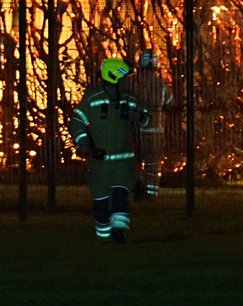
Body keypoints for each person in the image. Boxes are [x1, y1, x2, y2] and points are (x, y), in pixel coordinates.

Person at [69, 57, 150, 242]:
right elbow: (77, 122)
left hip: (124, 160)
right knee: (101, 201)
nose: (128, 81)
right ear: (114, 77)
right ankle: (104, 235)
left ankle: (119, 230)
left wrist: (138, 117)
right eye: (125, 77)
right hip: (100, 161)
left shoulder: (130, 99)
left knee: (121, 195)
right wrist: (84, 143)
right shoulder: (93, 98)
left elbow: (147, 120)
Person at [133, 49, 173, 199]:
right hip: (155, 131)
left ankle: (135, 190)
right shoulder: (161, 85)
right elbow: (170, 104)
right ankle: (151, 194)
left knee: (134, 162)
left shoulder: (131, 82)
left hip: (135, 130)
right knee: (152, 164)